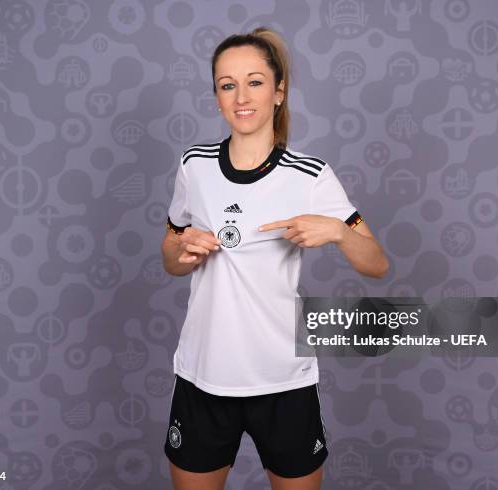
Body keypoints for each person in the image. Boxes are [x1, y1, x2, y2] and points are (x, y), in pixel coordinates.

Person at [160, 27, 389, 490]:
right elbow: (170, 251)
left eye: (255, 82)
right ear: (217, 96)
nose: (241, 97)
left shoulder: (309, 175)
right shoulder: (195, 164)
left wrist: (340, 232)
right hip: (203, 377)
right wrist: (185, 251)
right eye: (228, 85)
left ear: (279, 92)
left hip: (284, 380)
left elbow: (377, 263)